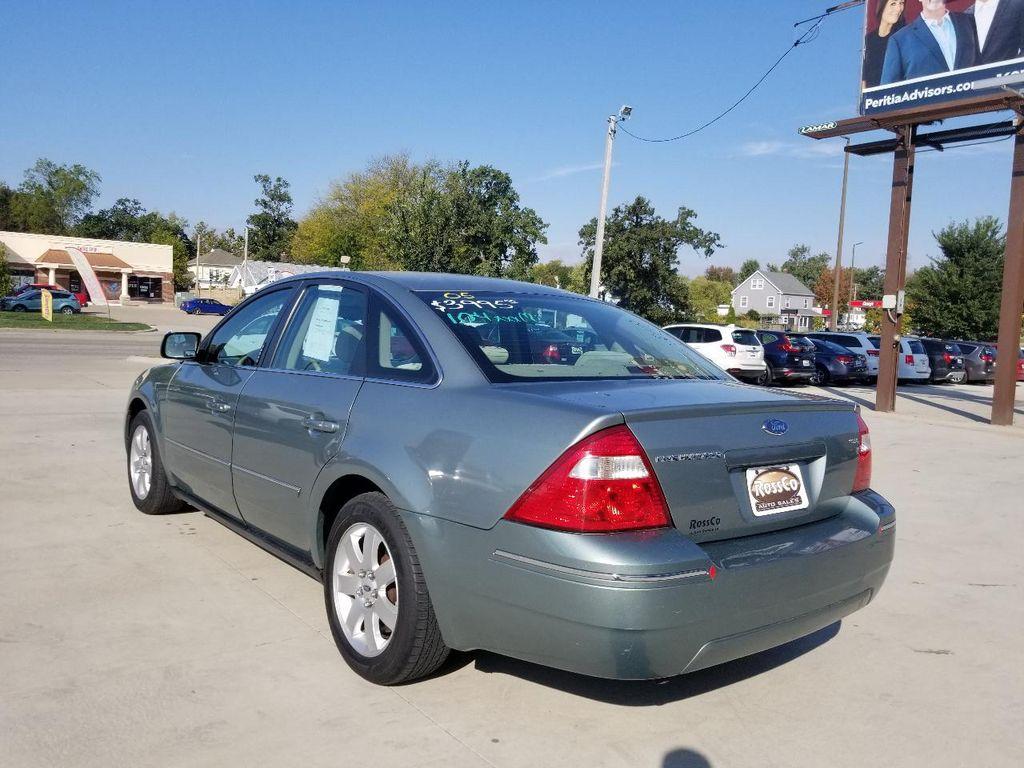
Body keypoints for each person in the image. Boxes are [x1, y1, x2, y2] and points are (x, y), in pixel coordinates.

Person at [881, 0, 979, 84]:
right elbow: (887, 94)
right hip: (927, 105)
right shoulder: (899, 40)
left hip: (976, 104)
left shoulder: (969, 22)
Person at [864, 0, 908, 88]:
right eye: (893, 4)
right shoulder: (869, 40)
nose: (898, 8)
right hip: (871, 99)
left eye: (901, 3)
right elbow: (863, 77)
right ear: (882, 6)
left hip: (894, 96)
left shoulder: (904, 36)